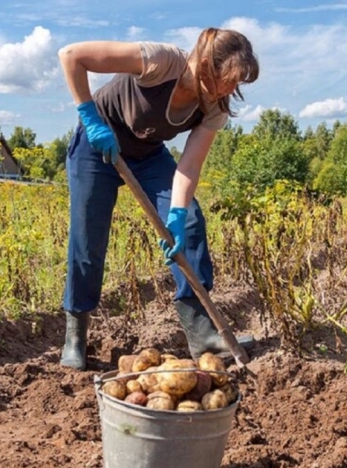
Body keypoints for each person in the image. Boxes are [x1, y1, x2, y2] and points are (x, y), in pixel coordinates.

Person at [57, 27, 259, 370]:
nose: (230, 90)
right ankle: (75, 336)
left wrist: (177, 214)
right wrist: (91, 119)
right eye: (228, 79)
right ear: (207, 64)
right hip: (98, 146)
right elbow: (71, 56)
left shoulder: (215, 108)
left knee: (191, 223)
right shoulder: (161, 60)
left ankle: (201, 333)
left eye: (236, 84)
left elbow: (189, 167)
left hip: (148, 155)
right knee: (87, 241)